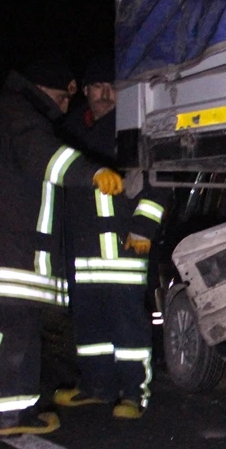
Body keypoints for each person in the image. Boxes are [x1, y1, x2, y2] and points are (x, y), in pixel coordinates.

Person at [0, 56, 123, 445]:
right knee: (8, 328)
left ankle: (13, 412)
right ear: (46, 91)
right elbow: (42, 154)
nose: (66, 106)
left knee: (23, 330)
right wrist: (90, 173)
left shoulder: (10, 112)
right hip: (4, 253)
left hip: (14, 251)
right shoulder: (14, 112)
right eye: (62, 97)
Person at [56, 54, 168, 419]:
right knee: (88, 325)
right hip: (81, 249)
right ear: (85, 91)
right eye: (99, 88)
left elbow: (158, 183)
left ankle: (135, 394)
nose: (106, 95)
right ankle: (96, 387)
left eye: (113, 88)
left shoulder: (135, 131)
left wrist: (144, 228)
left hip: (123, 248)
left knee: (128, 326)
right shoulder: (68, 130)